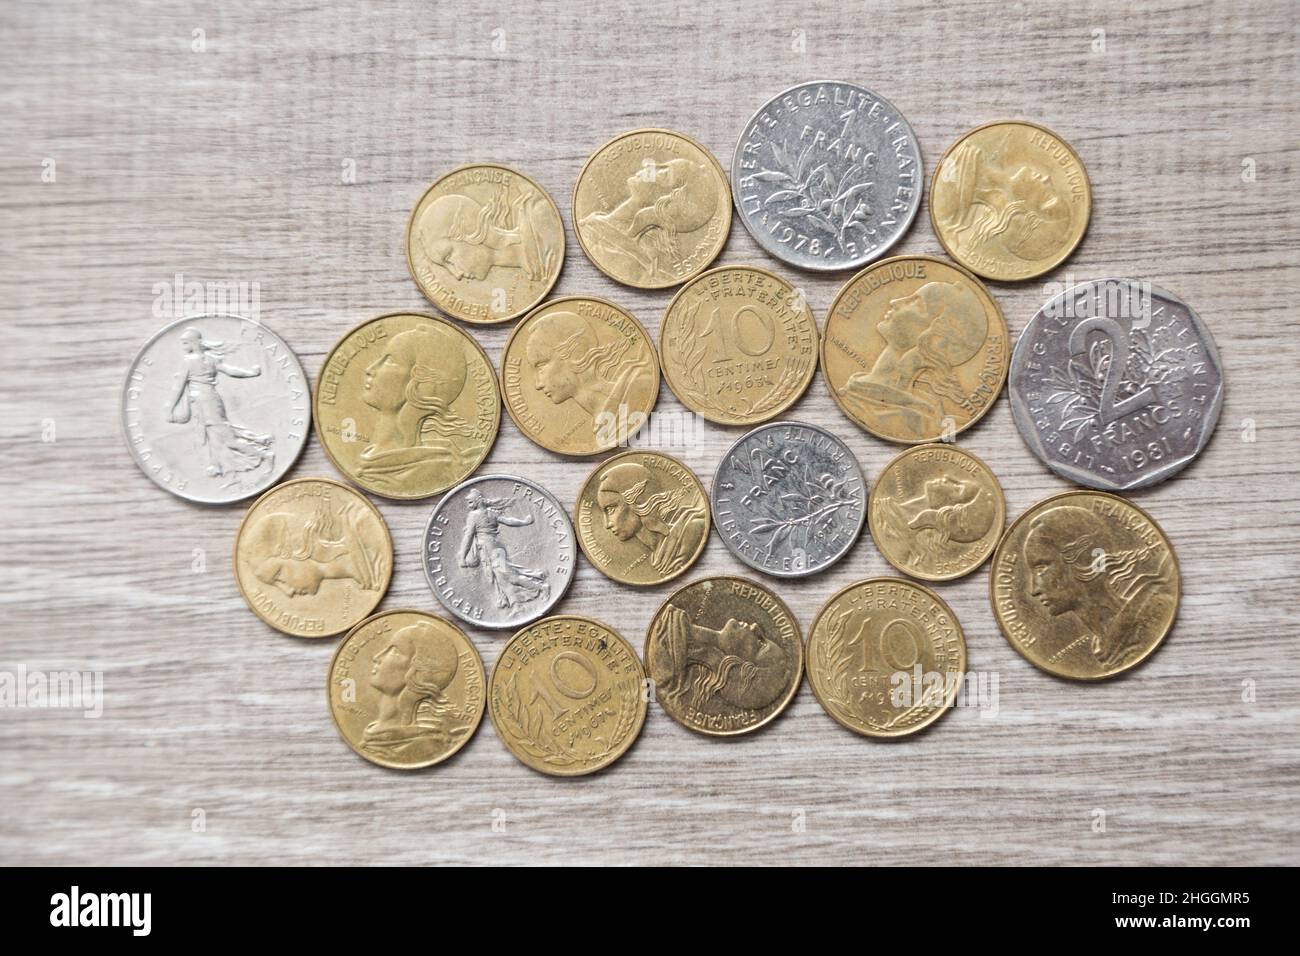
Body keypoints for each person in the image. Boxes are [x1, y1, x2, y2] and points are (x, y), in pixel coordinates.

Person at [1023, 505, 1176, 670]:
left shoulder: (1151, 617)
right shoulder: (1104, 646)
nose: (1033, 590)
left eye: (1041, 569)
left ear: (1084, 560)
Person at [839, 281, 986, 435]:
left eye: (916, 302)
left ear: (932, 338)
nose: (894, 302)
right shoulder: (857, 390)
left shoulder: (916, 421)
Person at [357, 325, 481, 489]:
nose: (370, 370)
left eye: (389, 361)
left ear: (419, 383)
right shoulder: (372, 459)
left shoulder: (427, 472)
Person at [578, 157, 718, 283]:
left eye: (663, 173)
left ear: (665, 201)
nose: (648, 170)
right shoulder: (596, 225)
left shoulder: (632, 260)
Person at [166, 328, 273, 484]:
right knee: (211, 434)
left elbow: (178, 387)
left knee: (225, 438)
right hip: (212, 400)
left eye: (185, 342)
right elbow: (231, 371)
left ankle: (264, 455)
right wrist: (251, 372)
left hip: (202, 403)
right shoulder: (210, 358)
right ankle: (215, 466)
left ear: (194, 342)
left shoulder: (188, 362)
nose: (183, 346)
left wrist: (169, 409)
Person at [650, 607, 791, 713]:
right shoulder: (671, 623)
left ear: (740, 667)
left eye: (761, 644)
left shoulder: (667, 665)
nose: (756, 627)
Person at [525, 311, 652, 424]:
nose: (538, 384)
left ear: (575, 354)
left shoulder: (632, 395)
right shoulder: (605, 421)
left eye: (541, 366)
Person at [362, 622, 465, 760]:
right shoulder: (373, 736)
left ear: (417, 674)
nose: (377, 657)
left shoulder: (422, 749)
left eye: (395, 651)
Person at [596, 461, 705, 577]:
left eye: (611, 509)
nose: (606, 524)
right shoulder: (658, 556)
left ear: (637, 501)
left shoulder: (690, 532)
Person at [459, 490, 550, 609]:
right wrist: (524, 522)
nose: (468, 505)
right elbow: (509, 521)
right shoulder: (491, 513)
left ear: (478, 501)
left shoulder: (473, 515)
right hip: (496, 548)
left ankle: (542, 587)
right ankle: (516, 605)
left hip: (489, 550)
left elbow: (468, 537)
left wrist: (462, 557)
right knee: (502, 580)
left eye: (470, 502)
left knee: (510, 577)